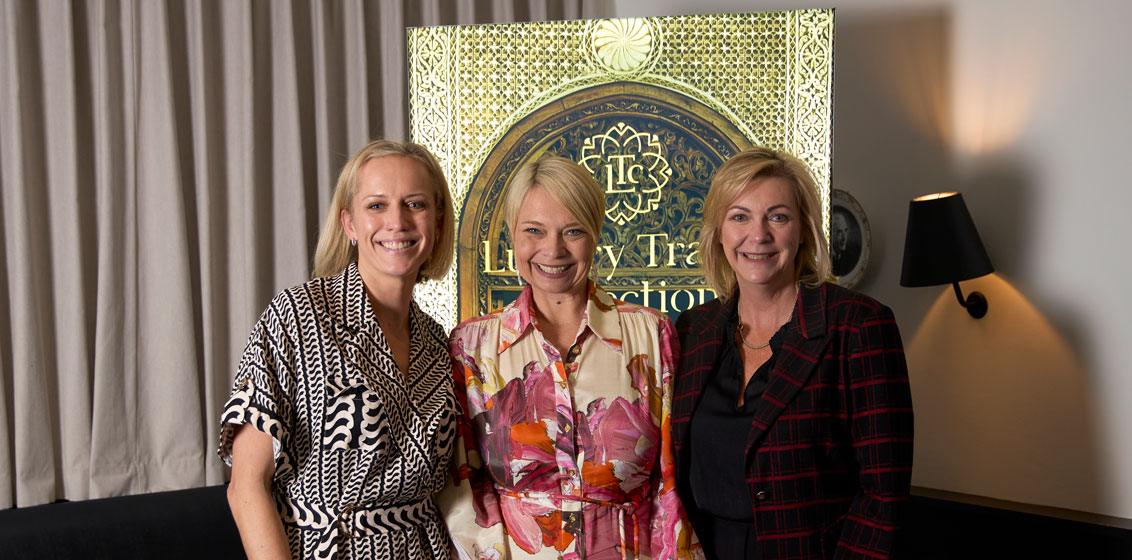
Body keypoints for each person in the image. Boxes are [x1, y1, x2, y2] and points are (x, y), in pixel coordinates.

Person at [440, 155, 701, 559]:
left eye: (573, 231)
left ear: (595, 235)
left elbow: (669, 492)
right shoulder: (471, 346)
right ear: (512, 236)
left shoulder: (651, 335)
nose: (553, 249)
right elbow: (468, 497)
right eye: (534, 230)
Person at [219, 140, 457, 559]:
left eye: (415, 204)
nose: (397, 221)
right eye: (377, 205)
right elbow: (246, 487)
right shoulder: (297, 316)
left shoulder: (438, 342)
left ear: (437, 223)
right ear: (349, 224)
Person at [672, 147, 913, 559]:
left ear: (803, 230)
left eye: (778, 217)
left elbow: (883, 497)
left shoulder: (858, 326)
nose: (758, 235)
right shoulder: (693, 329)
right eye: (739, 217)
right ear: (719, 232)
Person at [829, 210, 860, 277]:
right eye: (839, 232)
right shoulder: (823, 258)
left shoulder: (850, 258)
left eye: (845, 231)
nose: (844, 238)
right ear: (830, 234)